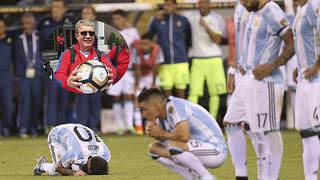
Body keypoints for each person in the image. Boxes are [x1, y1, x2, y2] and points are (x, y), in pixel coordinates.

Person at [224, 0, 295, 179]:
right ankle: (241, 175)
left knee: (267, 131)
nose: (242, 3)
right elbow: (242, 45)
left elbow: (291, 44)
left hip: (268, 81)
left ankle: (270, 177)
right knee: (231, 123)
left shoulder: (272, 11)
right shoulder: (253, 11)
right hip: (248, 78)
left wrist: (271, 66)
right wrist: (234, 69)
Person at [138, 88, 227, 180]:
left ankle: (207, 177)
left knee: (175, 146)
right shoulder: (161, 117)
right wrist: (157, 135)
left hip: (216, 150)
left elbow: (184, 136)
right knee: (154, 149)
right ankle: (191, 177)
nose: (143, 114)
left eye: (145, 109)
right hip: (199, 148)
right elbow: (169, 140)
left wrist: (161, 133)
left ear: (156, 106)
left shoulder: (175, 106)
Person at [184, 0, 226, 118]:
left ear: (209, 4)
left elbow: (217, 40)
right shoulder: (191, 16)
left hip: (214, 58)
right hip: (197, 58)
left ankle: (212, 119)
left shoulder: (217, 18)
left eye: (204, 3)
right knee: (193, 92)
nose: (202, 5)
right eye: (200, 3)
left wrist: (206, 26)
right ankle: (191, 118)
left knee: (215, 93)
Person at [292, 0, 320, 179]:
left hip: (316, 80)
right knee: (306, 131)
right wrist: (298, 66)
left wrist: (317, 66)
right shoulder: (301, 8)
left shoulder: (315, 5)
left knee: (318, 130)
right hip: (304, 80)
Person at [54, 19, 116, 93]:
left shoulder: (101, 54)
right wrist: (67, 81)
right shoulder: (68, 54)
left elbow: (112, 69)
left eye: (91, 33)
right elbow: (58, 75)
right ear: (77, 36)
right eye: (84, 33)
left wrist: (110, 75)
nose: (88, 36)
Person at [37, 0, 72, 131]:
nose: (55, 9)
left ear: (65, 9)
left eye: (58, 7)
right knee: (51, 96)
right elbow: (38, 46)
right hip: (50, 66)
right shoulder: (43, 24)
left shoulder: (70, 23)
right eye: (53, 7)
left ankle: (62, 126)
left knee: (64, 97)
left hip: (66, 67)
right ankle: (50, 125)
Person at [146, 0, 192, 98]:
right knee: (167, 95)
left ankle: (180, 113)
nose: (167, 7)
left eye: (169, 4)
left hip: (181, 62)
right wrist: (154, 19)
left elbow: (189, 40)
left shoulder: (183, 20)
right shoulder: (157, 20)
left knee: (181, 94)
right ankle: (168, 113)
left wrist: (183, 54)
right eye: (165, 5)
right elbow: (149, 37)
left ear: (175, 6)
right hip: (164, 63)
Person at [107, 9, 140, 134]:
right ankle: (120, 126)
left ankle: (129, 126)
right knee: (116, 98)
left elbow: (137, 50)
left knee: (129, 97)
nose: (117, 21)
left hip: (130, 70)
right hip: (115, 70)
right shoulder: (110, 34)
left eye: (119, 18)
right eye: (114, 19)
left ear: (124, 19)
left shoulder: (132, 32)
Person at [33, 123, 110, 176]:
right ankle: (42, 166)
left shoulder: (105, 154)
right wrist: (73, 173)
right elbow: (58, 168)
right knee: (62, 172)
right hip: (57, 134)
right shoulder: (74, 153)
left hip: (79, 129)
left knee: (75, 167)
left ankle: (75, 166)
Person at [14, 13, 43, 138]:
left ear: (34, 23)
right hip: (23, 76)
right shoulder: (18, 38)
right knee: (25, 102)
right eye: (24, 23)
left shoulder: (39, 37)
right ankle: (23, 128)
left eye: (28, 23)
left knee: (36, 102)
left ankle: (34, 127)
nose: (26, 26)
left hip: (37, 76)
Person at [132, 34, 165, 134]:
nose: (143, 46)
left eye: (146, 44)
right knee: (137, 99)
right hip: (141, 76)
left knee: (154, 101)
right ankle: (138, 128)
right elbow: (137, 68)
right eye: (142, 44)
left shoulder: (157, 50)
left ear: (151, 43)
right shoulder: (137, 50)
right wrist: (137, 83)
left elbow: (156, 67)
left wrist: (154, 83)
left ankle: (153, 126)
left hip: (152, 75)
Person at [0, 18, 13, 137]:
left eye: (1, 26)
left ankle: (6, 127)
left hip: (5, 76)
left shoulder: (10, 41)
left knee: (8, 105)